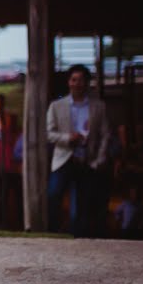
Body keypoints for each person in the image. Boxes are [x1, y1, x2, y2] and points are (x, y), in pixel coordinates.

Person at [46, 65, 110, 237]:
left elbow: (105, 135)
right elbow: (49, 134)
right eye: (74, 80)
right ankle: (54, 234)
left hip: (86, 160)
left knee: (80, 204)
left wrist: (98, 160)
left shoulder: (99, 106)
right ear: (69, 82)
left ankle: (77, 238)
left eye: (81, 80)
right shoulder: (56, 106)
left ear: (87, 82)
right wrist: (68, 138)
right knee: (53, 195)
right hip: (64, 159)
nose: (78, 84)